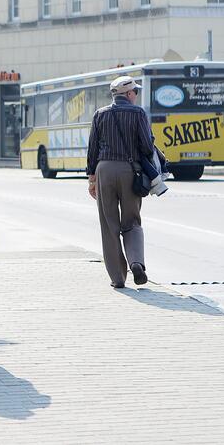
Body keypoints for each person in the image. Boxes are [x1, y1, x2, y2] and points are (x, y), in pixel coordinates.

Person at [86, 76, 155, 289]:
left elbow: (92, 149)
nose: (136, 95)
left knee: (109, 225)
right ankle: (136, 262)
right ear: (129, 94)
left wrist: (92, 179)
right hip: (130, 171)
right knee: (132, 221)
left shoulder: (100, 114)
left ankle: (117, 278)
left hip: (104, 170)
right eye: (135, 91)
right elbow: (146, 147)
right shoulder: (138, 113)